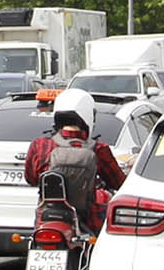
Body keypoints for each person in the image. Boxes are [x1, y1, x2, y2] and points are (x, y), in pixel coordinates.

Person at [21, 87, 125, 231]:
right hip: (87, 221)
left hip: (46, 219)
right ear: (89, 116)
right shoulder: (99, 149)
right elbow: (118, 182)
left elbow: (31, 179)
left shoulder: (40, 145)